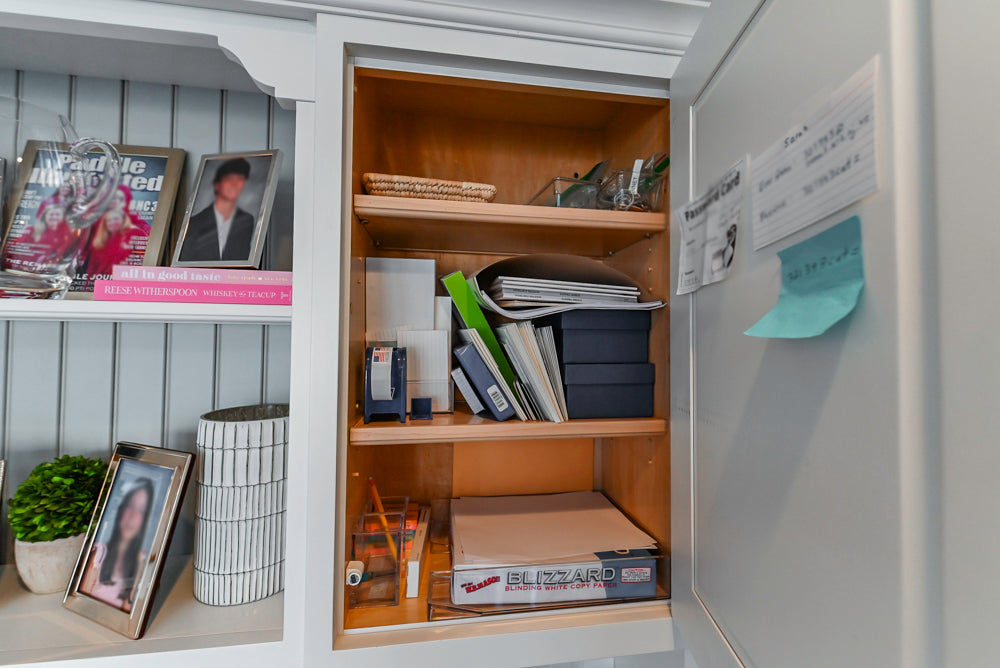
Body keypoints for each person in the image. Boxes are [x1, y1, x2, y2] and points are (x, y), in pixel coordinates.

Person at [79, 478, 155, 612]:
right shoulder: (100, 552)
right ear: (121, 510)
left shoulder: (140, 560)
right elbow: (82, 604)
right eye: (130, 506)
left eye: (141, 511)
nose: (132, 515)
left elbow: (128, 609)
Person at [178, 157, 256, 262]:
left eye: (240, 179)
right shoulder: (194, 223)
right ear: (217, 185)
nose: (234, 184)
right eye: (229, 179)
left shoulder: (247, 220)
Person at [81, 207, 139, 278]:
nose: (112, 222)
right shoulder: (99, 242)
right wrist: (87, 287)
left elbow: (143, 258)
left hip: (125, 282)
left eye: (116, 219)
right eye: (108, 220)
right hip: (101, 284)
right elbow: (92, 269)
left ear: (123, 219)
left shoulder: (135, 233)